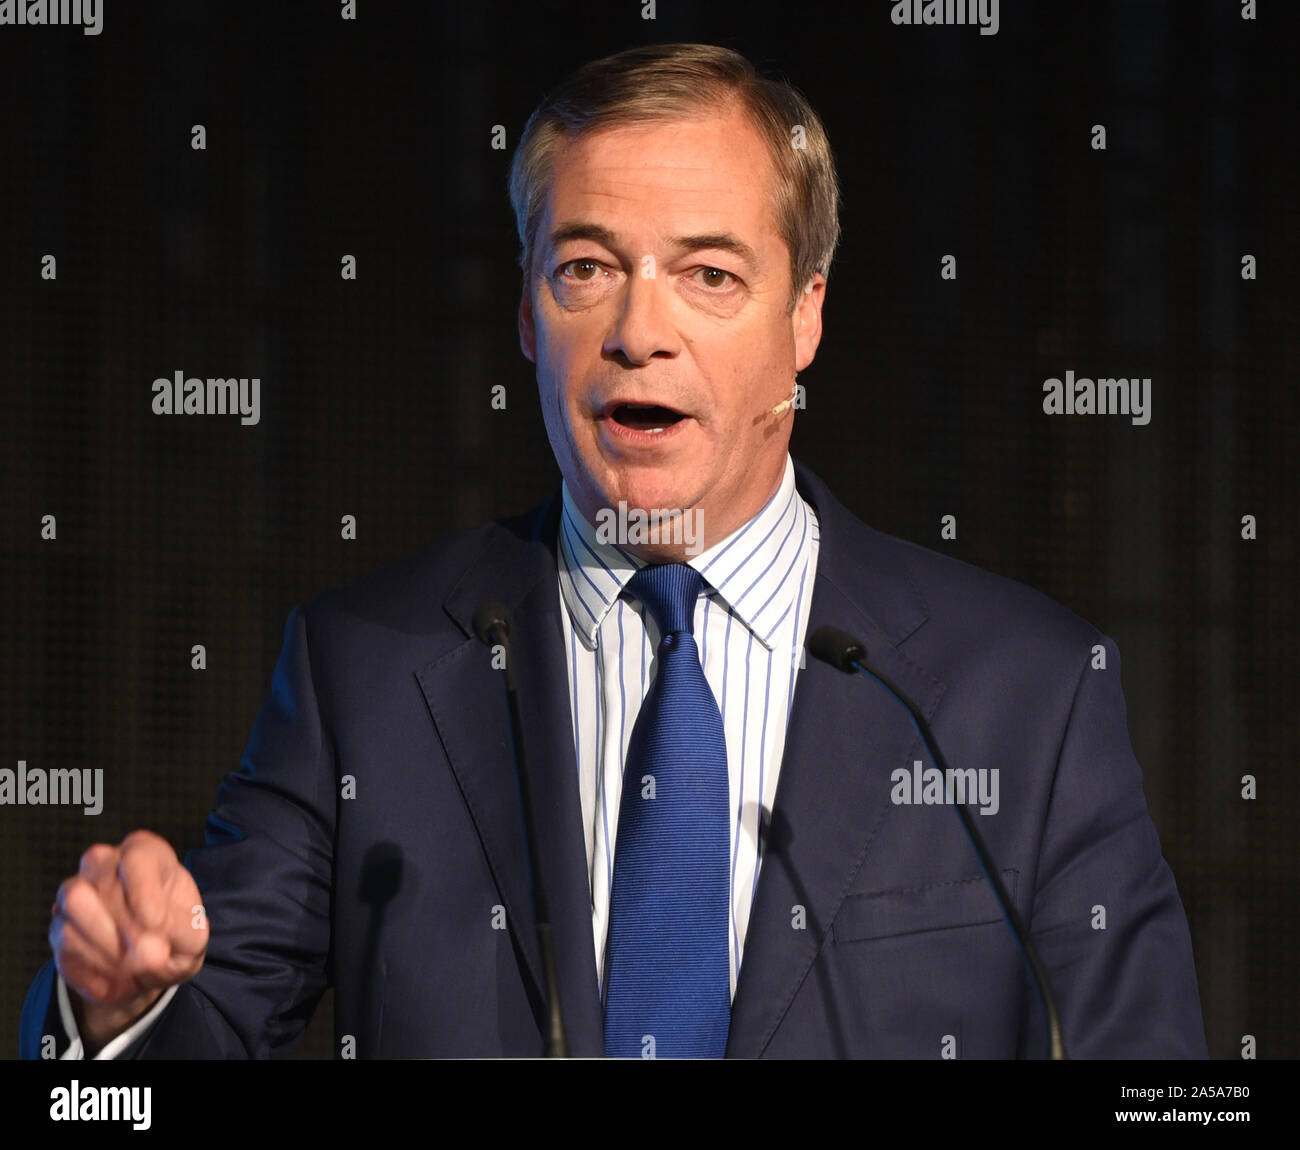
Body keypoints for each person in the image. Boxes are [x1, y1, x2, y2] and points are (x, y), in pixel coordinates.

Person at [21, 42, 1207, 1060]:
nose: (641, 332)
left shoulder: (1026, 693)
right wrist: (111, 1008)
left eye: (709, 275)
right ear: (529, 317)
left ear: (805, 318)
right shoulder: (365, 672)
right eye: (586, 268)